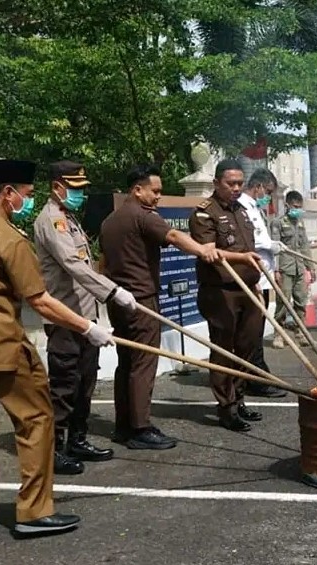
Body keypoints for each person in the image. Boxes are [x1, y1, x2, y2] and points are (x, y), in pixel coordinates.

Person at [0, 159, 113, 547]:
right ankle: (35, 511)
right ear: (9, 193)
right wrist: (88, 327)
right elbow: (41, 301)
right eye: (27, 195)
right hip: (2, 349)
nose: (28, 202)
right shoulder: (10, 239)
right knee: (36, 420)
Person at [99, 164, 221, 450]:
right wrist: (203, 250)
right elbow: (175, 237)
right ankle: (140, 428)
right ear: (137, 190)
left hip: (118, 300)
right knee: (143, 365)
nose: (158, 197)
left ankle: (123, 425)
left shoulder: (109, 221)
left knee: (126, 363)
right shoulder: (143, 216)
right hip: (141, 302)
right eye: (154, 191)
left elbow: (103, 264)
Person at [34, 161, 135, 475]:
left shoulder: (69, 218)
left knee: (85, 383)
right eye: (75, 188)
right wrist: (113, 290)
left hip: (85, 316)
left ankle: (77, 440)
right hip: (65, 318)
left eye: (81, 188)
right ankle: (53, 450)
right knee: (64, 385)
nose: (80, 194)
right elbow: (73, 266)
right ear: (57, 187)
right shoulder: (51, 220)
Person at [189, 159, 266, 432]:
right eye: (230, 183)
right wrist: (243, 259)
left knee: (247, 346)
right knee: (224, 350)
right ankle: (226, 407)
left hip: (248, 290)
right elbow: (209, 252)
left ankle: (240, 399)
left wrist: (253, 277)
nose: (235, 188)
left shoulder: (242, 210)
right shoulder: (204, 213)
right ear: (216, 183)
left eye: (239, 183)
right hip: (221, 292)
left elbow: (249, 248)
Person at [237, 168, 287, 398]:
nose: (267, 196)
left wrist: (273, 253)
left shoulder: (256, 207)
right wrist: (269, 246)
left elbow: (263, 238)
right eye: (266, 191)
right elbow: (249, 241)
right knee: (252, 330)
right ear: (257, 186)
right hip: (253, 275)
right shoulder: (242, 206)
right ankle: (254, 377)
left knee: (257, 329)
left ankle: (257, 373)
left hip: (263, 274)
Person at [270, 190, 315, 349]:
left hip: (299, 267)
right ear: (287, 205)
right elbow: (275, 248)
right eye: (295, 206)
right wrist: (275, 270)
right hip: (285, 268)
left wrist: (311, 268)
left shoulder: (300, 223)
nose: (297, 209)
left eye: (299, 207)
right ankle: (279, 334)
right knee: (283, 302)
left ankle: (300, 332)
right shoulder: (278, 223)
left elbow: (305, 246)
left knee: (301, 301)